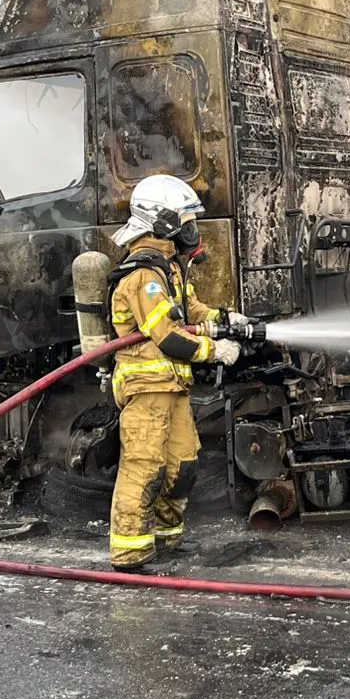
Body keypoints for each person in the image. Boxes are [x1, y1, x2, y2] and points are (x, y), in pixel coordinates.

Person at [106, 175, 248, 569]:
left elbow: (191, 312)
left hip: (173, 387)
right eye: (186, 221)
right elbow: (167, 335)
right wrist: (215, 350)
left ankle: (167, 541)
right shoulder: (143, 276)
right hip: (146, 388)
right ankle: (130, 552)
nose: (192, 230)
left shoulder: (166, 269)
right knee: (145, 467)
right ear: (164, 221)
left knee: (182, 466)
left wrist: (226, 319)